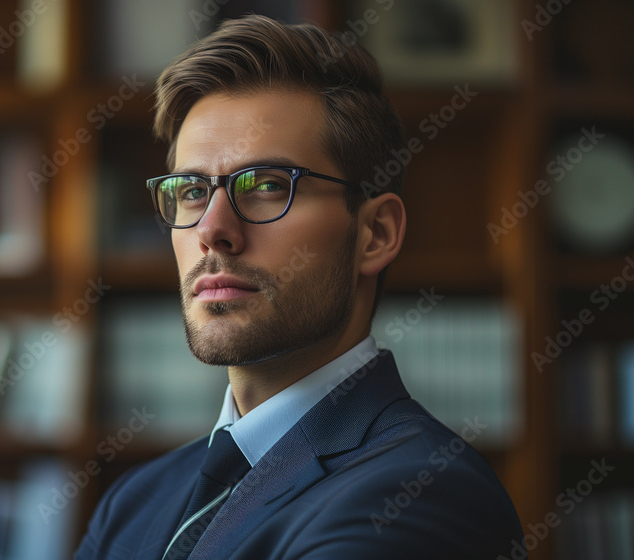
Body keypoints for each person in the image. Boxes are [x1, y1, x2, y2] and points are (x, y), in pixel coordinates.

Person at [75, 14, 523, 560]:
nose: (212, 230)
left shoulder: (424, 494)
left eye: (266, 185)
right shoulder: (133, 502)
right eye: (192, 191)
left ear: (375, 234)